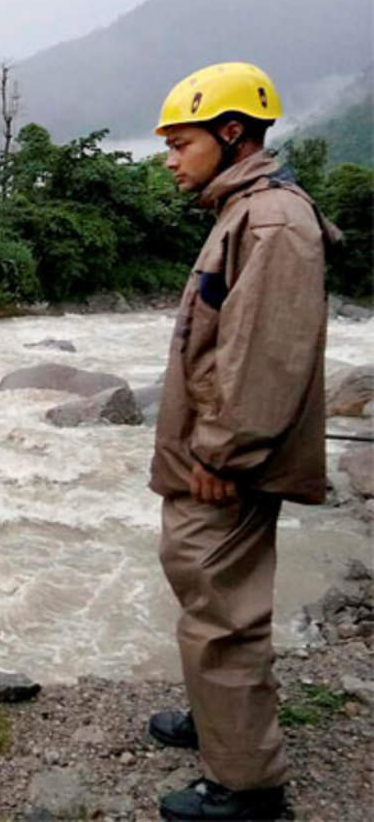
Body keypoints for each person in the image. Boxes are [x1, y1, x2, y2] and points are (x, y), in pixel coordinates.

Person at [146, 63, 340, 821]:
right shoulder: (245, 212)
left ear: (232, 135)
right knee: (205, 591)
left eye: (180, 142)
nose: (169, 158)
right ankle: (222, 727)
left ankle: (248, 787)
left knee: (223, 608)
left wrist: (224, 454)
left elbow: (265, 356)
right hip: (214, 453)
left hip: (227, 463)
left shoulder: (271, 223)